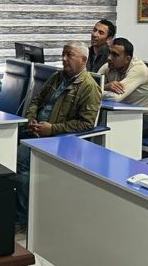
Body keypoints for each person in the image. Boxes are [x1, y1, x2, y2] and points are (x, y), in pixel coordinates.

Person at [14, 42, 102, 225]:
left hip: (56, 139)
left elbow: (86, 123)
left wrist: (52, 129)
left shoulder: (89, 87)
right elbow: (36, 101)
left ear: (83, 60)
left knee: (20, 159)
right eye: (63, 54)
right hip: (35, 130)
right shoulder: (56, 77)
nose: (64, 59)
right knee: (1, 145)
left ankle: (21, 219)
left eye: (69, 55)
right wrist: (31, 119)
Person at [100, 38, 148, 137]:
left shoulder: (138, 70)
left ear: (127, 59)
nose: (109, 57)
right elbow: (91, 85)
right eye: (109, 53)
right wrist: (105, 86)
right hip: (126, 114)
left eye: (115, 55)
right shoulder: (109, 66)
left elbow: (115, 97)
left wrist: (99, 89)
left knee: (116, 132)